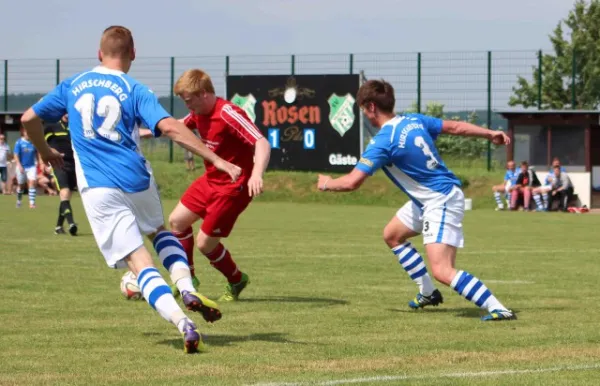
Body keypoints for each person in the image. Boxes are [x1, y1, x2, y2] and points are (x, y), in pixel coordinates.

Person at [20, 26, 243, 353]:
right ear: (133, 54)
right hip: (138, 178)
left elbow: (28, 119)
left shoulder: (74, 84)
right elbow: (170, 127)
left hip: (99, 188)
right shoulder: (135, 88)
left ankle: (184, 322)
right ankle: (185, 285)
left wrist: (44, 150)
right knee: (159, 231)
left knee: (140, 265)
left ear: (99, 54)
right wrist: (216, 158)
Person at [316, 79, 515, 321]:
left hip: (439, 200)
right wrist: (489, 133)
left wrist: (326, 183)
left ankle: (498, 308)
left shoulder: (383, 141)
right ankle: (428, 292)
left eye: (362, 110)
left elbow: (351, 182)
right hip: (429, 199)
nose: (364, 115)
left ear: (370, 107)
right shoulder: (413, 120)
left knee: (443, 270)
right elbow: (454, 127)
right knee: (392, 235)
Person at [167, 69, 271, 301]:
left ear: (203, 93)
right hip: (210, 180)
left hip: (233, 188)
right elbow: (176, 128)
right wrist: (143, 132)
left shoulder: (227, 113)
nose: (188, 107)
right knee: (177, 221)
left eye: (188, 101)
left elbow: (261, 142)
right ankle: (188, 279)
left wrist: (256, 174)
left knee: (205, 244)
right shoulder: (198, 113)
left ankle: (236, 279)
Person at [44, 115, 79, 235]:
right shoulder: (51, 126)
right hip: (59, 163)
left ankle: (58, 227)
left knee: (67, 195)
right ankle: (71, 223)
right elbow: (42, 145)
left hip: (74, 164)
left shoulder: (75, 125)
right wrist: (43, 161)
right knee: (64, 192)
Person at [13, 129, 39, 208]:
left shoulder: (33, 142)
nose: (28, 134)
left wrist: (39, 162)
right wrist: (19, 165)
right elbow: (16, 155)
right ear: (23, 133)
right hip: (21, 167)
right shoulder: (19, 142)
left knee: (32, 182)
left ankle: (32, 203)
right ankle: (19, 200)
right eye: (27, 132)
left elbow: (37, 153)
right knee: (21, 186)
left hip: (31, 166)